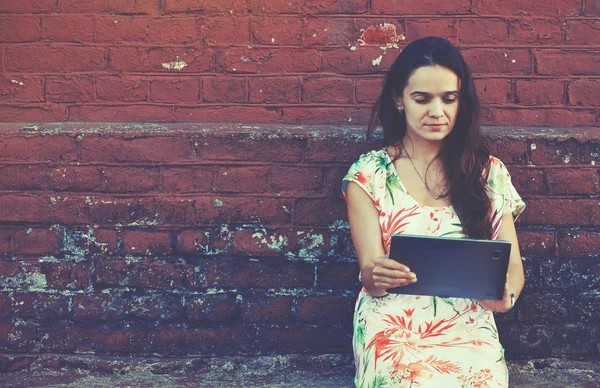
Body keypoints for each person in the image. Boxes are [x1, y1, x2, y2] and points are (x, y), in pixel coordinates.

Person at [342, 36, 526, 387]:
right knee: (405, 380)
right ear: (399, 99)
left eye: (449, 99)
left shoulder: (488, 173)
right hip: (392, 320)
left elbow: (513, 264)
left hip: (467, 319)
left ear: (461, 102)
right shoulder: (370, 174)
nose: (437, 112)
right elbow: (368, 272)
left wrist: (507, 296)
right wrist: (376, 275)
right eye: (422, 98)